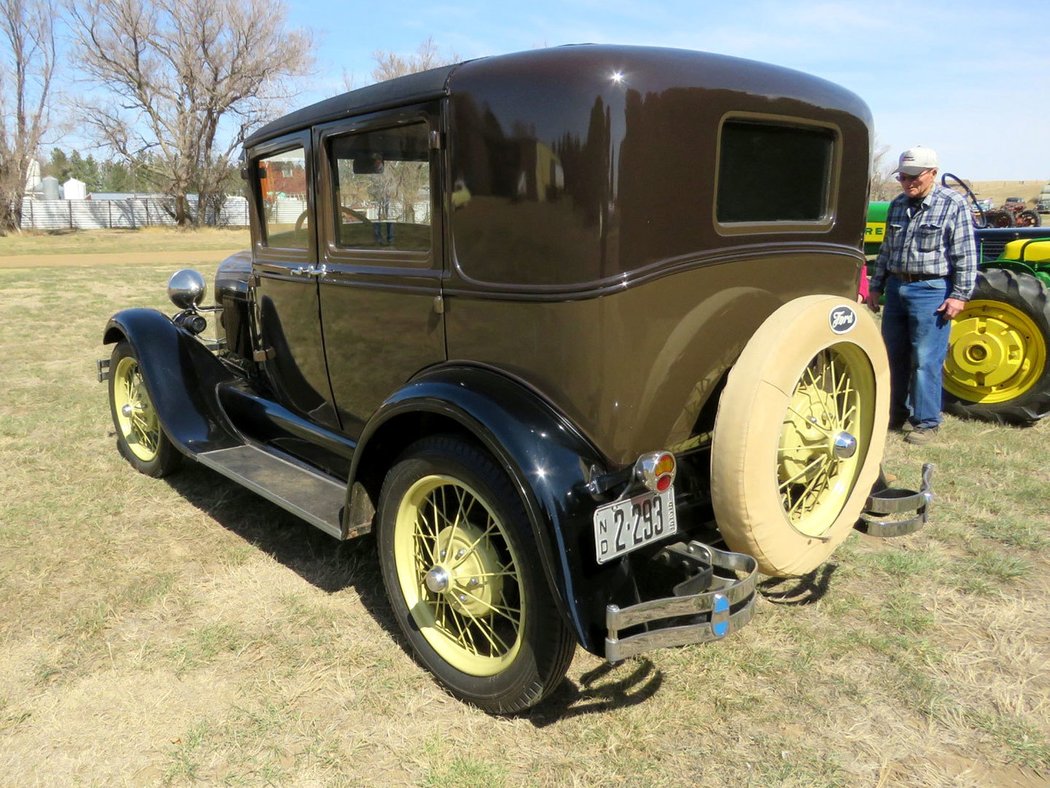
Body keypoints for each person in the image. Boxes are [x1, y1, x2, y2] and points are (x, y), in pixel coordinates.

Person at [865, 146, 977, 445]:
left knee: (925, 358)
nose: (907, 182)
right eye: (903, 176)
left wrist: (959, 295)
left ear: (933, 174)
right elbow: (887, 249)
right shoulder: (898, 205)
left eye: (914, 176)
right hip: (898, 290)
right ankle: (894, 413)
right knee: (893, 355)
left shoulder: (953, 204)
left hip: (931, 290)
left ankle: (926, 422)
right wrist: (876, 286)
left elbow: (965, 254)